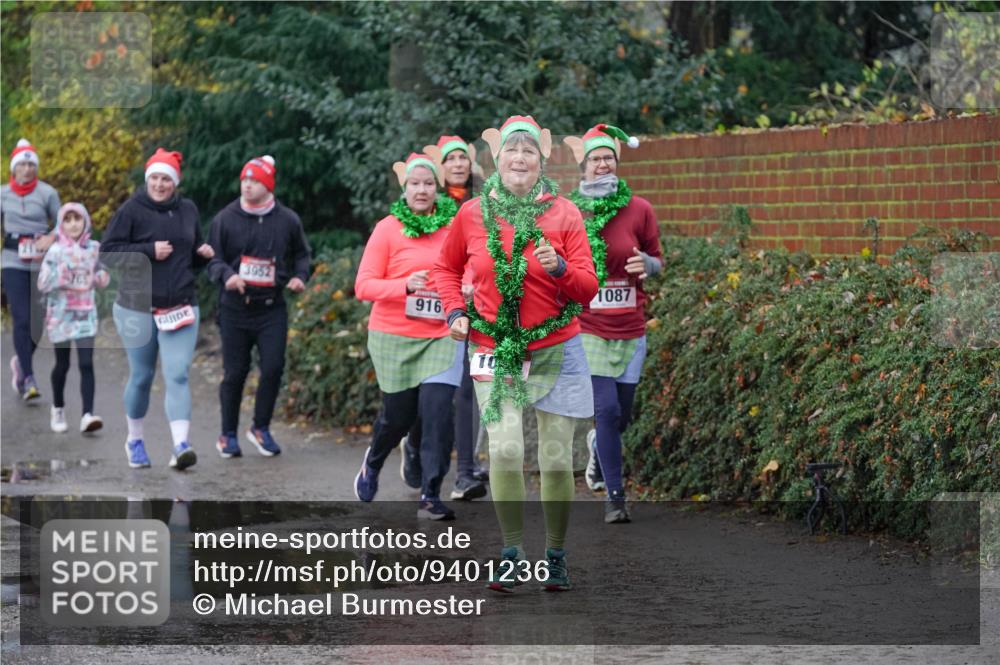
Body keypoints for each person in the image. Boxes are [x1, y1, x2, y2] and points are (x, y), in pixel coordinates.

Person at [432, 115, 598, 591]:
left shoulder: (565, 214)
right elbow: (446, 270)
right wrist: (454, 312)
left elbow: (588, 288)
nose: (520, 158)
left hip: (557, 346)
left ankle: (555, 554)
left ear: (542, 160)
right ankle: (511, 553)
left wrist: (560, 267)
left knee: (555, 458)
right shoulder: (472, 214)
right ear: (496, 159)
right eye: (511, 150)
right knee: (504, 450)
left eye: (528, 150)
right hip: (495, 346)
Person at [353, 151, 463, 520]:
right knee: (398, 417)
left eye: (428, 183)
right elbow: (364, 286)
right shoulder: (387, 229)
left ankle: (431, 495)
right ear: (405, 188)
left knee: (437, 413)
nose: (422, 190)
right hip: (393, 335)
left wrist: (468, 287)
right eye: (415, 183)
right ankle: (373, 461)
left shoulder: (453, 228)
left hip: (442, 335)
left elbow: (471, 270)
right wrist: (404, 286)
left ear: (438, 188)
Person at [565, 124, 663, 524]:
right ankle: (615, 497)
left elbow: (657, 257)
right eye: (595, 159)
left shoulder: (639, 209)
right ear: (584, 166)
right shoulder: (570, 211)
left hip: (631, 327)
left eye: (609, 158)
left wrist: (649, 264)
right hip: (588, 326)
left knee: (622, 414)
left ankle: (597, 448)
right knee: (605, 410)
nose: (603, 164)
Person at [101, 148, 214, 470]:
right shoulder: (131, 210)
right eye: (155, 178)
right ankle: (135, 440)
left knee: (177, 374)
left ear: (175, 182)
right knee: (142, 376)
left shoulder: (188, 209)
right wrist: (148, 250)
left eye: (166, 179)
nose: (160, 184)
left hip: (180, 305)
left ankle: (181, 446)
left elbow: (190, 255)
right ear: (147, 179)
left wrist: (202, 255)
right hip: (137, 307)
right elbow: (107, 253)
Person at [399, 135, 489, 502]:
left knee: (469, 385)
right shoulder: (431, 206)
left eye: (462, 158)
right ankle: (414, 443)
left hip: (477, 302)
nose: (458, 164)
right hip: (437, 306)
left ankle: (465, 471)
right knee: (435, 392)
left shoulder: (485, 200)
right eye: (450, 159)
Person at [206, 155, 311, 458]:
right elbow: (212, 259)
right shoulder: (225, 219)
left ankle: (260, 428)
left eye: (254, 181)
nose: (247, 186)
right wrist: (227, 275)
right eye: (245, 180)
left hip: (271, 308)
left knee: (274, 367)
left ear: (268, 185)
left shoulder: (287, 220)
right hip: (235, 309)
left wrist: (300, 277)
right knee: (235, 373)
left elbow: (303, 255)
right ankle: (227, 434)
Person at [37, 202, 109, 433]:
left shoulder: (94, 248)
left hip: (86, 314)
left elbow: (102, 275)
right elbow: (42, 283)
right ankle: (58, 407)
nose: (73, 224)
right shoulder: (55, 251)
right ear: (61, 225)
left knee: (86, 363)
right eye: (67, 220)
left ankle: (88, 414)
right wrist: (62, 274)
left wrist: (99, 277)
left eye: (77, 219)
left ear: (85, 221)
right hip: (61, 316)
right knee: (63, 364)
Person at [2, 139, 60, 401]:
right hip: (12, 261)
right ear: (13, 168)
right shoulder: (3, 194)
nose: (26, 169)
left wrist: (52, 237)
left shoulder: (47, 193)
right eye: (22, 165)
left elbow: (65, 222)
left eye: (31, 165)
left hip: (40, 262)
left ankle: (20, 361)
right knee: (22, 318)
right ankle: (28, 378)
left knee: (38, 323)